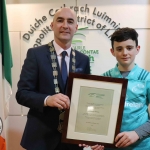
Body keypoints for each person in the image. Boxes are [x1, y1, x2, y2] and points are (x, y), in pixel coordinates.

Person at [16, 7, 91, 150]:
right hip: (40, 139)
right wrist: (46, 100)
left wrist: (87, 132)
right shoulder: (35, 55)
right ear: (52, 25)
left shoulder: (83, 60)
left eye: (70, 21)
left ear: (76, 27)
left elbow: (84, 99)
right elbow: (22, 94)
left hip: (71, 140)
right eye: (60, 20)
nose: (65, 25)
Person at [92, 27, 150, 150]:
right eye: (119, 49)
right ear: (112, 51)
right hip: (111, 145)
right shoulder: (104, 78)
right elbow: (98, 114)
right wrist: (96, 138)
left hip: (141, 146)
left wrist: (137, 134)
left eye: (129, 48)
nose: (124, 53)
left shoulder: (147, 78)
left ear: (137, 49)